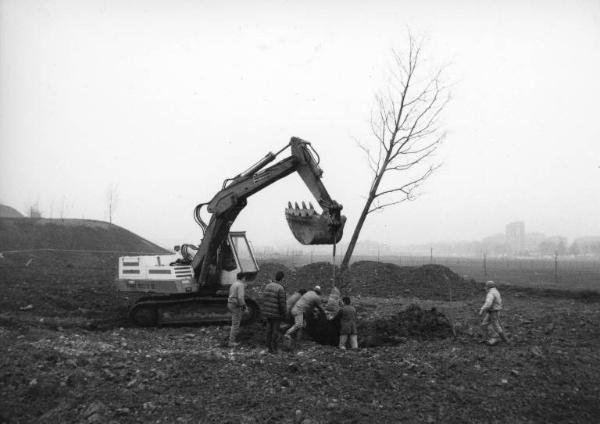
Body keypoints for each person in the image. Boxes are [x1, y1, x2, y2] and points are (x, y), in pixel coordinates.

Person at [262, 271, 287, 353]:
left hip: (267, 313)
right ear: (282, 279)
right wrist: (284, 314)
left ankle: (268, 348)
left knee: (268, 330)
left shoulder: (267, 286)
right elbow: (282, 304)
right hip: (276, 314)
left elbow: (264, 299)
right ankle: (274, 349)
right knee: (275, 331)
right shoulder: (280, 288)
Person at [479, 280, 508, 345]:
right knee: (484, 324)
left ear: (488, 287)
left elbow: (488, 303)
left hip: (493, 312)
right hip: (493, 311)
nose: (485, 288)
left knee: (496, 326)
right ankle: (486, 339)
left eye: (486, 287)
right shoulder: (496, 291)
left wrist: (482, 309)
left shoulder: (490, 293)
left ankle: (504, 340)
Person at [227, 272, 247, 347]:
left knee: (234, 322)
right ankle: (231, 342)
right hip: (235, 305)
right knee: (235, 324)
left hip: (230, 303)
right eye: (245, 278)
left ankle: (231, 339)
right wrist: (244, 308)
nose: (245, 279)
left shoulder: (234, 283)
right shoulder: (241, 285)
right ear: (243, 278)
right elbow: (240, 298)